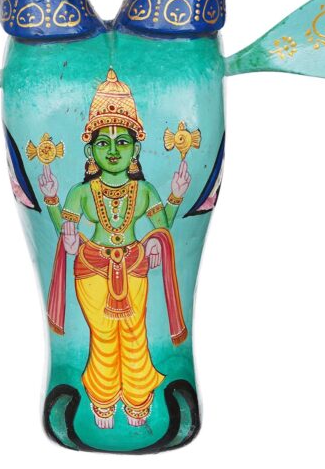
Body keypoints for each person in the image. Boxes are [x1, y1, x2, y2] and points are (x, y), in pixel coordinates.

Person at [40, 68, 189, 428]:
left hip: (134, 264)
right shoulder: (81, 192)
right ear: (90, 149)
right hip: (91, 267)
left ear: (136, 149)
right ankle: (103, 400)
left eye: (121, 143)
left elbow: (162, 227)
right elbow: (65, 229)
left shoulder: (145, 190)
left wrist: (175, 195)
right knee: (104, 336)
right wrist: (52, 199)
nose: (112, 151)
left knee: (135, 334)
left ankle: (138, 400)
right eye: (103, 143)